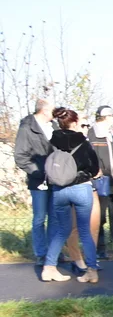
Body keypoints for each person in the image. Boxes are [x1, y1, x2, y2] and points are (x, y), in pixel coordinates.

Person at [40, 107, 101, 284]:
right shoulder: (83, 142)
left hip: (59, 190)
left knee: (62, 230)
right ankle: (91, 271)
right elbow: (94, 168)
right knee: (84, 231)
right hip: (81, 189)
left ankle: (48, 268)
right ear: (74, 123)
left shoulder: (53, 141)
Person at [14, 98, 55, 265]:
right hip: (39, 181)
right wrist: (37, 172)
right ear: (44, 111)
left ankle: (54, 252)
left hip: (56, 179)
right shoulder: (27, 128)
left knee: (55, 217)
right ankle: (41, 253)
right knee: (39, 218)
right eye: (53, 109)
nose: (55, 112)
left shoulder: (54, 127)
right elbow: (20, 157)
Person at [87, 106, 113, 260]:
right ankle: (100, 249)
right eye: (112, 116)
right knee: (100, 217)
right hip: (100, 182)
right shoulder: (91, 134)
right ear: (105, 117)